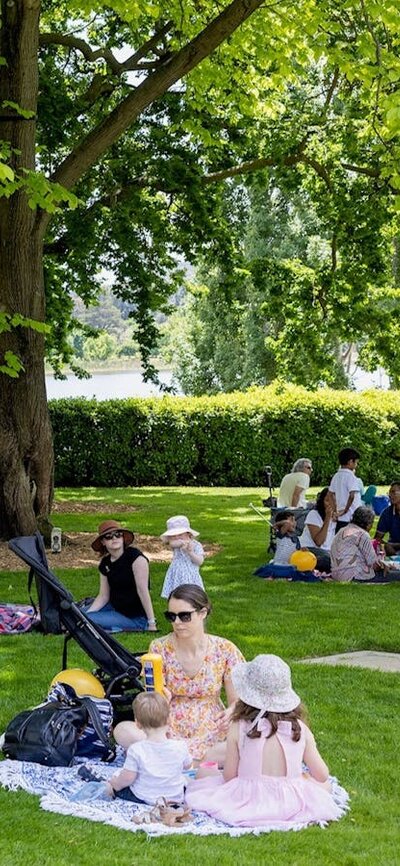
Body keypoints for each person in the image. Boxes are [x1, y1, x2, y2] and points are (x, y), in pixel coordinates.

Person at [185, 654, 346, 828]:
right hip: (290, 801)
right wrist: (301, 777)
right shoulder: (300, 728)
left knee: (204, 778)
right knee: (324, 787)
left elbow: (229, 776)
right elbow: (322, 775)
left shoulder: (239, 727)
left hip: (248, 798)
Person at [113, 584, 244, 763]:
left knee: (246, 734)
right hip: (167, 728)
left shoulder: (225, 649)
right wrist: (159, 699)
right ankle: (195, 762)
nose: (177, 622)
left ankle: (173, 760)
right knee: (123, 730)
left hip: (212, 728)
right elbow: (152, 700)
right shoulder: (159, 647)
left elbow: (237, 702)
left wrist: (231, 712)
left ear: (202, 613)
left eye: (184, 616)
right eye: (171, 616)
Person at [86, 520, 157, 632]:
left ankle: (131, 626)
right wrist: (85, 615)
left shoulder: (136, 558)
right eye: (109, 536)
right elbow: (104, 596)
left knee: (88, 619)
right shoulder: (105, 563)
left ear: (123, 538)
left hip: (135, 617)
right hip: (115, 607)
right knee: (80, 614)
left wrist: (151, 623)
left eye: (118, 535)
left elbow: (143, 591)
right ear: (103, 542)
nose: (114, 538)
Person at [330, 505, 400, 583]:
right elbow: (374, 564)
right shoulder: (362, 534)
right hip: (354, 576)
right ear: (368, 523)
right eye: (372, 523)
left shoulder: (342, 530)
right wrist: (385, 565)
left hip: (337, 574)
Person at [160, 515, 205, 599]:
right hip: (176, 574)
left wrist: (190, 552)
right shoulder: (176, 544)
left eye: (180, 534)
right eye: (173, 535)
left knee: (191, 596)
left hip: (191, 575)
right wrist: (183, 543)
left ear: (188, 533)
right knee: (176, 596)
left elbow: (199, 561)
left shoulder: (196, 545)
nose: (177, 537)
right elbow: (172, 544)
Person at [299, 487, 336, 572]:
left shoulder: (339, 518)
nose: (330, 504)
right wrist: (327, 518)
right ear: (322, 502)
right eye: (327, 500)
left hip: (329, 552)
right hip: (310, 549)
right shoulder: (314, 514)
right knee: (329, 560)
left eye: (334, 501)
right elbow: (318, 542)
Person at [328, 447, 361, 533]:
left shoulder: (336, 476)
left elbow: (330, 494)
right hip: (352, 516)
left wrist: (335, 511)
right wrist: (345, 510)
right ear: (350, 462)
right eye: (356, 462)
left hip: (341, 518)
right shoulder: (351, 476)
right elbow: (352, 495)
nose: (356, 465)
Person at [374, 482, 400, 555]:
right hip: (394, 549)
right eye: (389, 493)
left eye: (393, 492)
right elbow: (377, 538)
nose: (390, 495)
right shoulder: (387, 513)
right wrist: (387, 546)